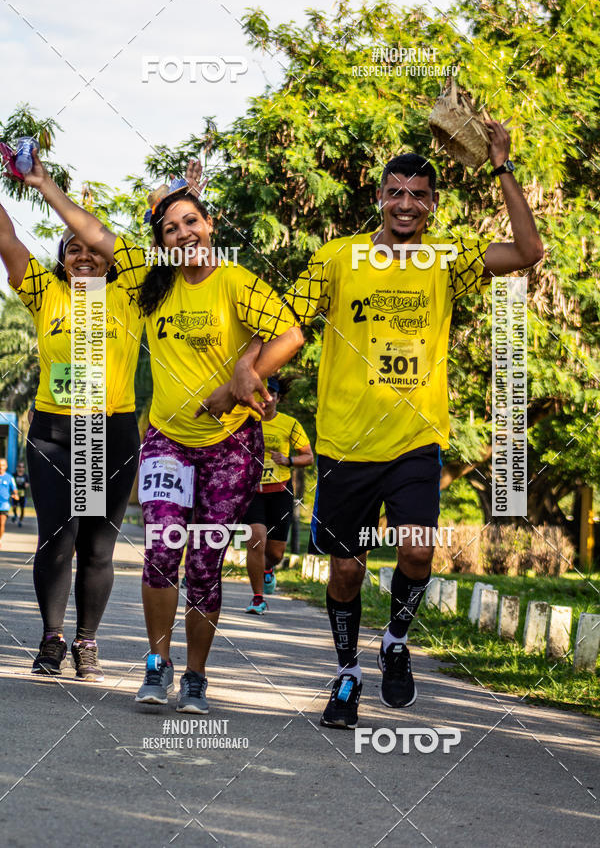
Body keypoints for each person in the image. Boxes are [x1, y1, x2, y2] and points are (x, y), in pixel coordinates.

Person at [279, 122, 543, 728]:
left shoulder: (446, 261)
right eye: (395, 192)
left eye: (418, 194)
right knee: (345, 568)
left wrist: (501, 164)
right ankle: (347, 675)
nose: (405, 204)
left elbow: (528, 252)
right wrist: (248, 372)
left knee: (418, 550)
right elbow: (286, 323)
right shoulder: (338, 257)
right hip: (344, 442)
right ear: (379, 198)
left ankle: (396, 640)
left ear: (433, 204)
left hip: (416, 439)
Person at [51, 162, 304, 713]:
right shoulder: (150, 282)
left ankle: (195, 676)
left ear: (209, 226)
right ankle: (155, 663)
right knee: (163, 550)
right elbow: (93, 233)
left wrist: (245, 376)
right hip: (167, 439)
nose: (182, 233)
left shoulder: (236, 281)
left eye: (191, 221)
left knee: (206, 562)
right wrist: (46, 185)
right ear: (161, 241)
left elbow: (290, 332)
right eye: (170, 228)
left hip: (232, 444)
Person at [0, 155, 144, 682]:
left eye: (93, 249)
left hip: (112, 430)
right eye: (73, 250)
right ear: (62, 260)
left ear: (111, 258)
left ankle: (88, 641)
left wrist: (50, 188)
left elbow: (104, 235)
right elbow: (9, 239)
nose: (84, 256)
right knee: (57, 537)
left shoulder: (131, 294)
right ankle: (52, 638)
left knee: (98, 546)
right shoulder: (45, 291)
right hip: (57, 432)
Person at [243, 376, 313, 614]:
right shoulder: (244, 420)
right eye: (260, 393)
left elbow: (308, 456)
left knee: (275, 553)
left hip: (280, 491)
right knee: (256, 539)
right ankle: (257, 597)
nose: (265, 398)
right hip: (252, 491)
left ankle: (267, 568)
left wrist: (289, 460)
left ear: (278, 398)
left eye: (270, 393)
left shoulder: (290, 424)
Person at [0, 458, 18, 545]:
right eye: (0, 465)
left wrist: (15, 494)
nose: (1, 467)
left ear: (6, 466)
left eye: (3, 465)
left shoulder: (9, 477)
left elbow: (14, 489)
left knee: (1, 523)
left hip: (4, 504)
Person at [12, 461, 29, 526]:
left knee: (22, 509)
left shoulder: (26, 476)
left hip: (22, 495)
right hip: (15, 494)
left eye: (22, 467)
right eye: (19, 467)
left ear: (24, 468)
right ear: (17, 468)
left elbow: (27, 484)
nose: (20, 468)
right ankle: (15, 515)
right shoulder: (14, 475)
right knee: (14, 507)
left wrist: (26, 485)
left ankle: (20, 521)